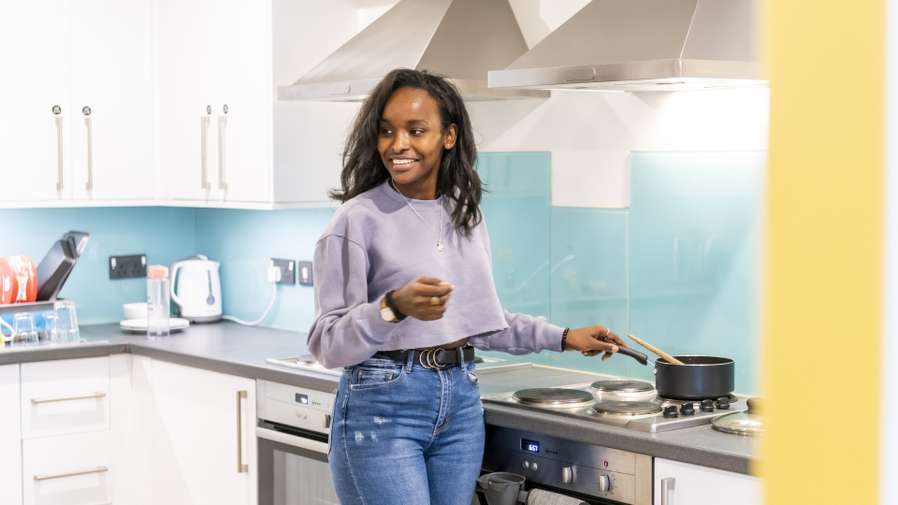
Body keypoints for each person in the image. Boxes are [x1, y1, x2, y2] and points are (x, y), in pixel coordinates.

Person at [308, 68, 629, 505]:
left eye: (415, 130)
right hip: (382, 408)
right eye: (387, 131)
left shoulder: (466, 215)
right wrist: (392, 307)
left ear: (449, 136)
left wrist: (566, 338)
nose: (398, 144)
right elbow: (327, 343)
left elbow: (482, 321)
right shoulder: (356, 221)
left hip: (459, 403)